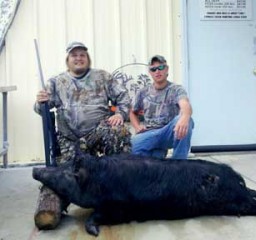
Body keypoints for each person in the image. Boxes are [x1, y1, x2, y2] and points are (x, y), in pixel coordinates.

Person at [33, 41, 131, 229]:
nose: (78, 58)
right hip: (70, 140)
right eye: (74, 55)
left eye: (82, 55)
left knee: (120, 131)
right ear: (67, 60)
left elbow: (123, 97)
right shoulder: (56, 82)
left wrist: (120, 113)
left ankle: (122, 187)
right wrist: (40, 102)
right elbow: (41, 110)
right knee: (69, 179)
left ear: (87, 58)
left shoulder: (103, 76)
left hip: (99, 133)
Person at [130, 55, 194, 159]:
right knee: (128, 149)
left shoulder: (176, 89)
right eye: (153, 69)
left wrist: (185, 117)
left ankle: (179, 165)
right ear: (150, 72)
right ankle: (157, 154)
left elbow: (185, 104)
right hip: (149, 134)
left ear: (167, 69)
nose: (157, 71)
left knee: (186, 120)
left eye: (160, 67)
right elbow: (132, 112)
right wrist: (137, 127)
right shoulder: (143, 92)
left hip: (167, 133)